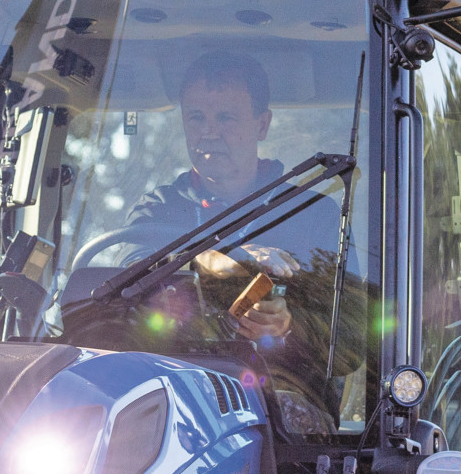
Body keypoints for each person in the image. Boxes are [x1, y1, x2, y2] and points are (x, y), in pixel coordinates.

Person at [124, 52, 339, 344]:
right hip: (172, 378)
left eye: (225, 117)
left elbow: (347, 338)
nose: (209, 133)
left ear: (262, 125)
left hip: (280, 386)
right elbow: (127, 285)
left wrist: (288, 325)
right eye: (197, 117)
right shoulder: (158, 209)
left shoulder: (312, 212)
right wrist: (225, 259)